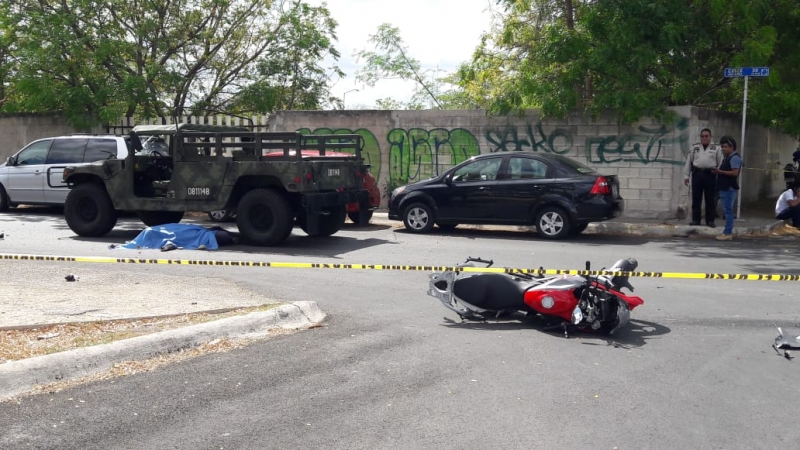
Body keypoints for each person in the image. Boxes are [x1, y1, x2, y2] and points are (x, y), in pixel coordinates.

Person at [684, 128, 723, 227]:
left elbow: (720, 162)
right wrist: (686, 175)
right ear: (700, 137)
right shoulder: (695, 147)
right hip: (697, 174)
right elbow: (689, 161)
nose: (704, 138)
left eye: (706, 136)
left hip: (710, 174)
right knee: (696, 198)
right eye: (702, 136)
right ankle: (696, 220)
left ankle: (710, 220)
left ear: (710, 137)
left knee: (710, 198)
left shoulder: (716, 148)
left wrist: (719, 173)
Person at [713, 136, 742, 241]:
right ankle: (727, 231)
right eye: (722, 147)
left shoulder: (735, 158)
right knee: (727, 210)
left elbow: (734, 173)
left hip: (729, 188)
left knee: (728, 211)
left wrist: (720, 172)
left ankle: (728, 232)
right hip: (724, 187)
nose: (723, 149)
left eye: (725, 147)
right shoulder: (727, 157)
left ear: (732, 147)